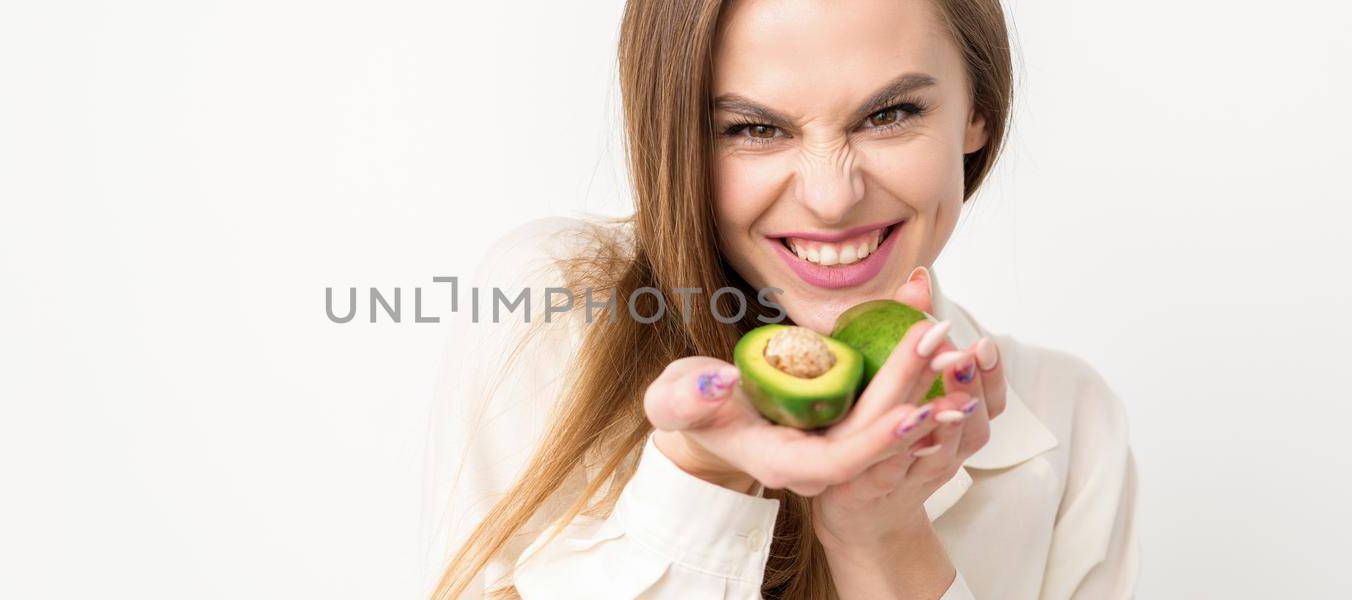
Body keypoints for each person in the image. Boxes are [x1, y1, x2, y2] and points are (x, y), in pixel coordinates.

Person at [422, 0, 1139, 597]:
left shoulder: (1070, 423)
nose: (831, 199)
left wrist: (881, 536)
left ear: (976, 112)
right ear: (677, 137)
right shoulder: (556, 311)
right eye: (754, 129)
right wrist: (697, 474)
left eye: (888, 114)